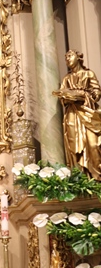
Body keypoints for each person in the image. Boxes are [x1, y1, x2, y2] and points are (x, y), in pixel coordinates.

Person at [53, 49, 101, 180]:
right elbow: (62, 97)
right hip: (72, 114)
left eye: (70, 56)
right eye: (65, 57)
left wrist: (84, 95)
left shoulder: (88, 74)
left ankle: (96, 178)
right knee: (74, 147)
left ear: (78, 58)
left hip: (87, 112)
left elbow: (97, 92)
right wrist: (67, 97)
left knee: (93, 145)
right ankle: (80, 179)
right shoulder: (66, 78)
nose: (67, 59)